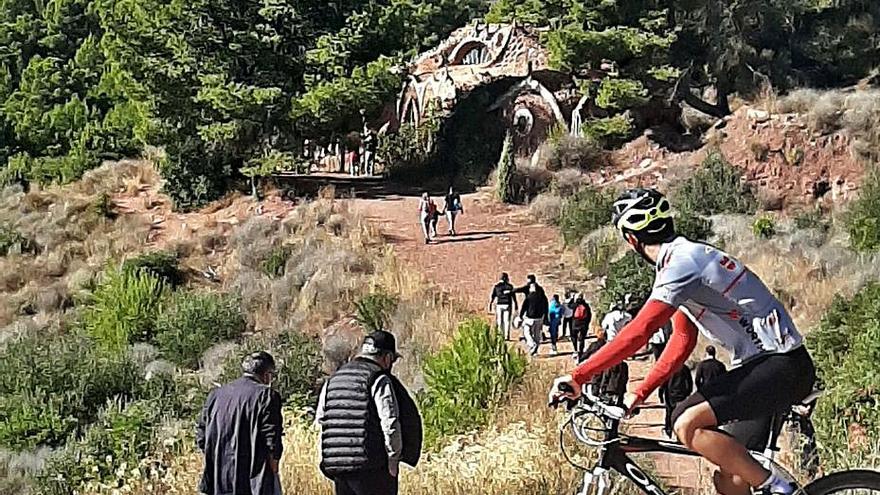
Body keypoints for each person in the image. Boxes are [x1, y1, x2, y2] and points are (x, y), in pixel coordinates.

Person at [551, 188, 815, 495]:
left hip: (779, 365)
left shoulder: (681, 262)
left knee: (686, 423)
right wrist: (640, 392)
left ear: (631, 239)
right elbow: (681, 340)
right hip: (769, 367)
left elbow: (640, 331)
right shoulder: (682, 261)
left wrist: (579, 376)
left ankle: (781, 489)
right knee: (730, 481)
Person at [317, 331, 422, 495]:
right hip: (371, 468)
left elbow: (321, 420)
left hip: (337, 466)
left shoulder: (333, 380)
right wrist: (393, 460)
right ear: (387, 358)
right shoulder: (379, 378)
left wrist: (330, 460)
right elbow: (390, 422)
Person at [197, 351, 283, 495]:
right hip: (254, 479)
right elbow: (272, 440)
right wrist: (273, 468)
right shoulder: (266, 396)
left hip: (219, 478)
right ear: (267, 375)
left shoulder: (216, 395)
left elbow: (201, 436)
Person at [581, 328, 629, 404]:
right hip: (619, 390)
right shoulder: (624, 365)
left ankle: (594, 396)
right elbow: (626, 378)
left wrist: (603, 389)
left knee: (595, 382)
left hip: (607, 387)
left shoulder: (594, 345)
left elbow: (605, 379)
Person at [660, 363, 694, 438]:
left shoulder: (669, 368)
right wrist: (688, 392)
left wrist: (661, 394)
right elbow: (689, 382)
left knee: (669, 412)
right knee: (680, 413)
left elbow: (663, 382)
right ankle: (679, 433)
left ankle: (668, 430)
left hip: (670, 394)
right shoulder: (685, 368)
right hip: (681, 394)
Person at [519, 283, 549, 356]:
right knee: (537, 334)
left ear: (532, 288)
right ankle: (535, 351)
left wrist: (521, 315)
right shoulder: (543, 297)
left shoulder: (529, 296)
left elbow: (524, 307)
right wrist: (545, 318)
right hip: (539, 318)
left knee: (526, 332)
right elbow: (546, 307)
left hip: (530, 317)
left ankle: (532, 344)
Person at [488, 272, 517, 340]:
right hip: (507, 304)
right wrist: (516, 304)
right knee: (507, 321)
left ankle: (500, 335)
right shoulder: (510, 286)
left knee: (499, 320)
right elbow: (513, 296)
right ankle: (507, 336)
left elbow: (493, 296)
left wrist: (490, 304)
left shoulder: (497, 286)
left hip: (499, 304)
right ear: (506, 278)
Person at [570, 294, 592, 361]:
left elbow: (569, 306)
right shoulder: (586, 305)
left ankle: (575, 350)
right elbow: (589, 315)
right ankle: (581, 351)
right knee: (582, 339)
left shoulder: (574, 305)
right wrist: (587, 323)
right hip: (583, 324)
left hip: (575, 324)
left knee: (574, 337)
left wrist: (572, 299)